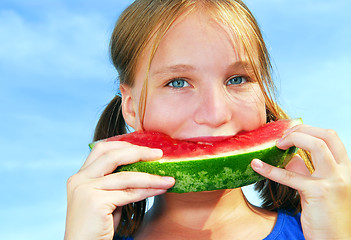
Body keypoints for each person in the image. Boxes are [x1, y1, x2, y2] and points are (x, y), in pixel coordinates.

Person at [64, 0, 351, 239]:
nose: (216, 114)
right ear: (131, 107)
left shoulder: (320, 233)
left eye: (237, 79)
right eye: (178, 82)